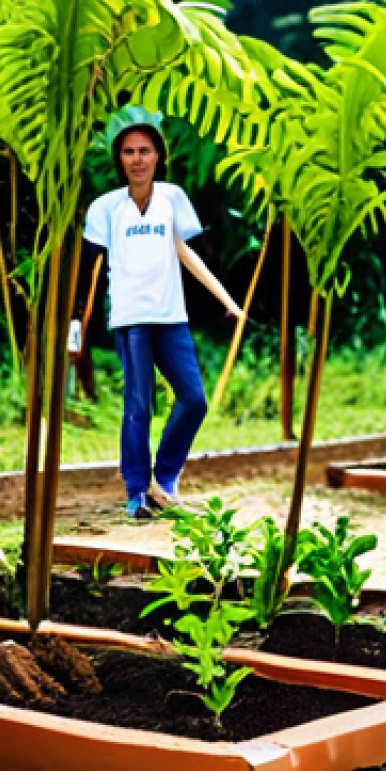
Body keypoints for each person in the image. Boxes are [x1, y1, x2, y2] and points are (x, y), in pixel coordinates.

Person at [76, 113, 244, 520]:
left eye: (144, 151)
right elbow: (91, 271)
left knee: (194, 400)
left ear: (157, 156)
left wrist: (227, 299)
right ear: (120, 159)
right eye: (129, 152)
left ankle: (164, 479)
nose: (137, 159)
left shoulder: (172, 198)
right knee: (139, 405)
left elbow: (185, 252)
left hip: (172, 317)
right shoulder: (106, 208)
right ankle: (136, 493)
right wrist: (76, 324)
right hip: (130, 319)